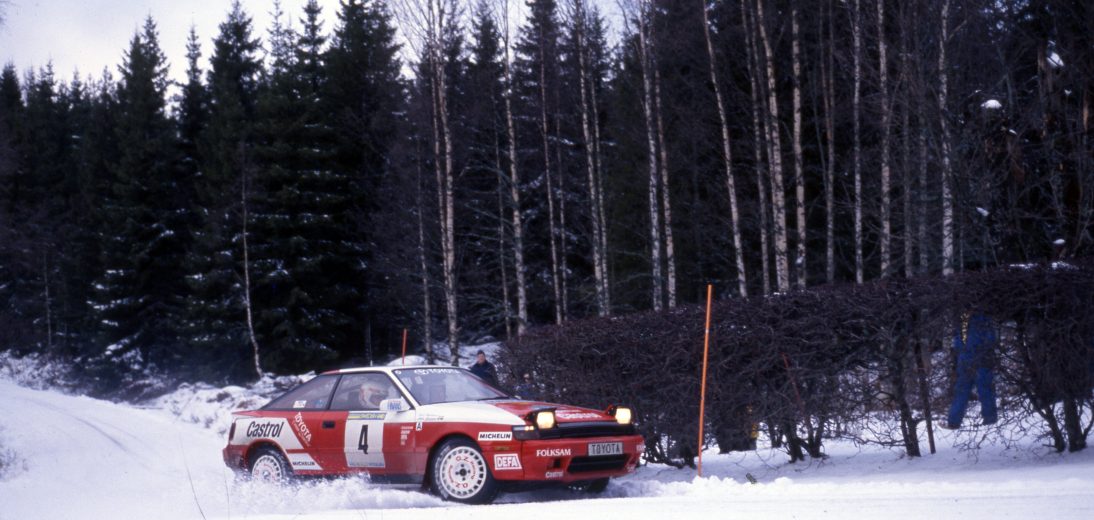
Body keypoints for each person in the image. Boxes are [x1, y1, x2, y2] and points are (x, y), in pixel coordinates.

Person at [945, 311, 998, 429]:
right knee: (984, 389)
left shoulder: (963, 320)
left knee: (963, 391)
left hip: (967, 359)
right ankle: (990, 420)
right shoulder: (983, 318)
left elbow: (957, 343)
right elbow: (991, 339)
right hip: (980, 359)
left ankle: (954, 422)